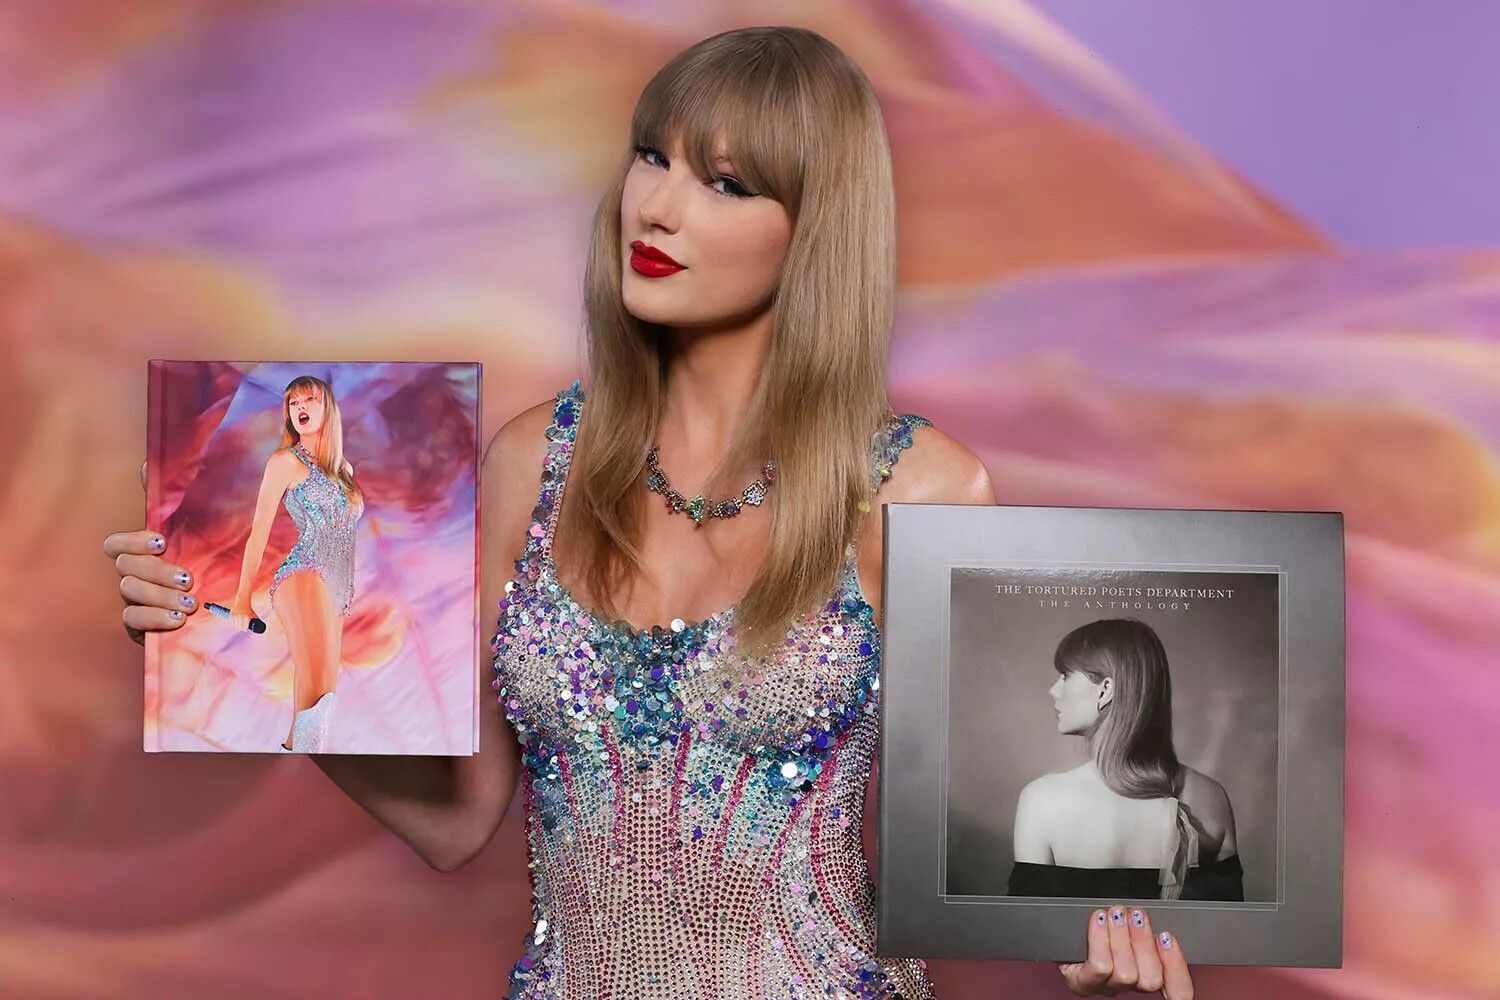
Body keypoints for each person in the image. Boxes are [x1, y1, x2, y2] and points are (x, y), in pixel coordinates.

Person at [106, 25, 1194, 999]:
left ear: (813, 229)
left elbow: (988, 859)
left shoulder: (919, 491)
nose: (659, 205)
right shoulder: (532, 461)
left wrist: (1114, 960)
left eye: (726, 183)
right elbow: (455, 820)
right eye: (651, 156)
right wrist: (245, 665)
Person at [1009, 619, 1243, 903]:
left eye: (1066, 675)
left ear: (1106, 690)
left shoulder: (1042, 800)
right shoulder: (1212, 795)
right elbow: (1230, 928)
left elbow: (1031, 932)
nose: (1054, 690)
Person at [230, 374, 365, 751]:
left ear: (329, 409)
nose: (301, 408)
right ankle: (303, 774)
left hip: (338, 590)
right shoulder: (285, 462)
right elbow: (259, 531)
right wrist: (242, 598)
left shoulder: (345, 473)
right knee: (317, 689)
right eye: (294, 403)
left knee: (324, 698)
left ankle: (292, 758)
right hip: (304, 573)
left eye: (310, 400)